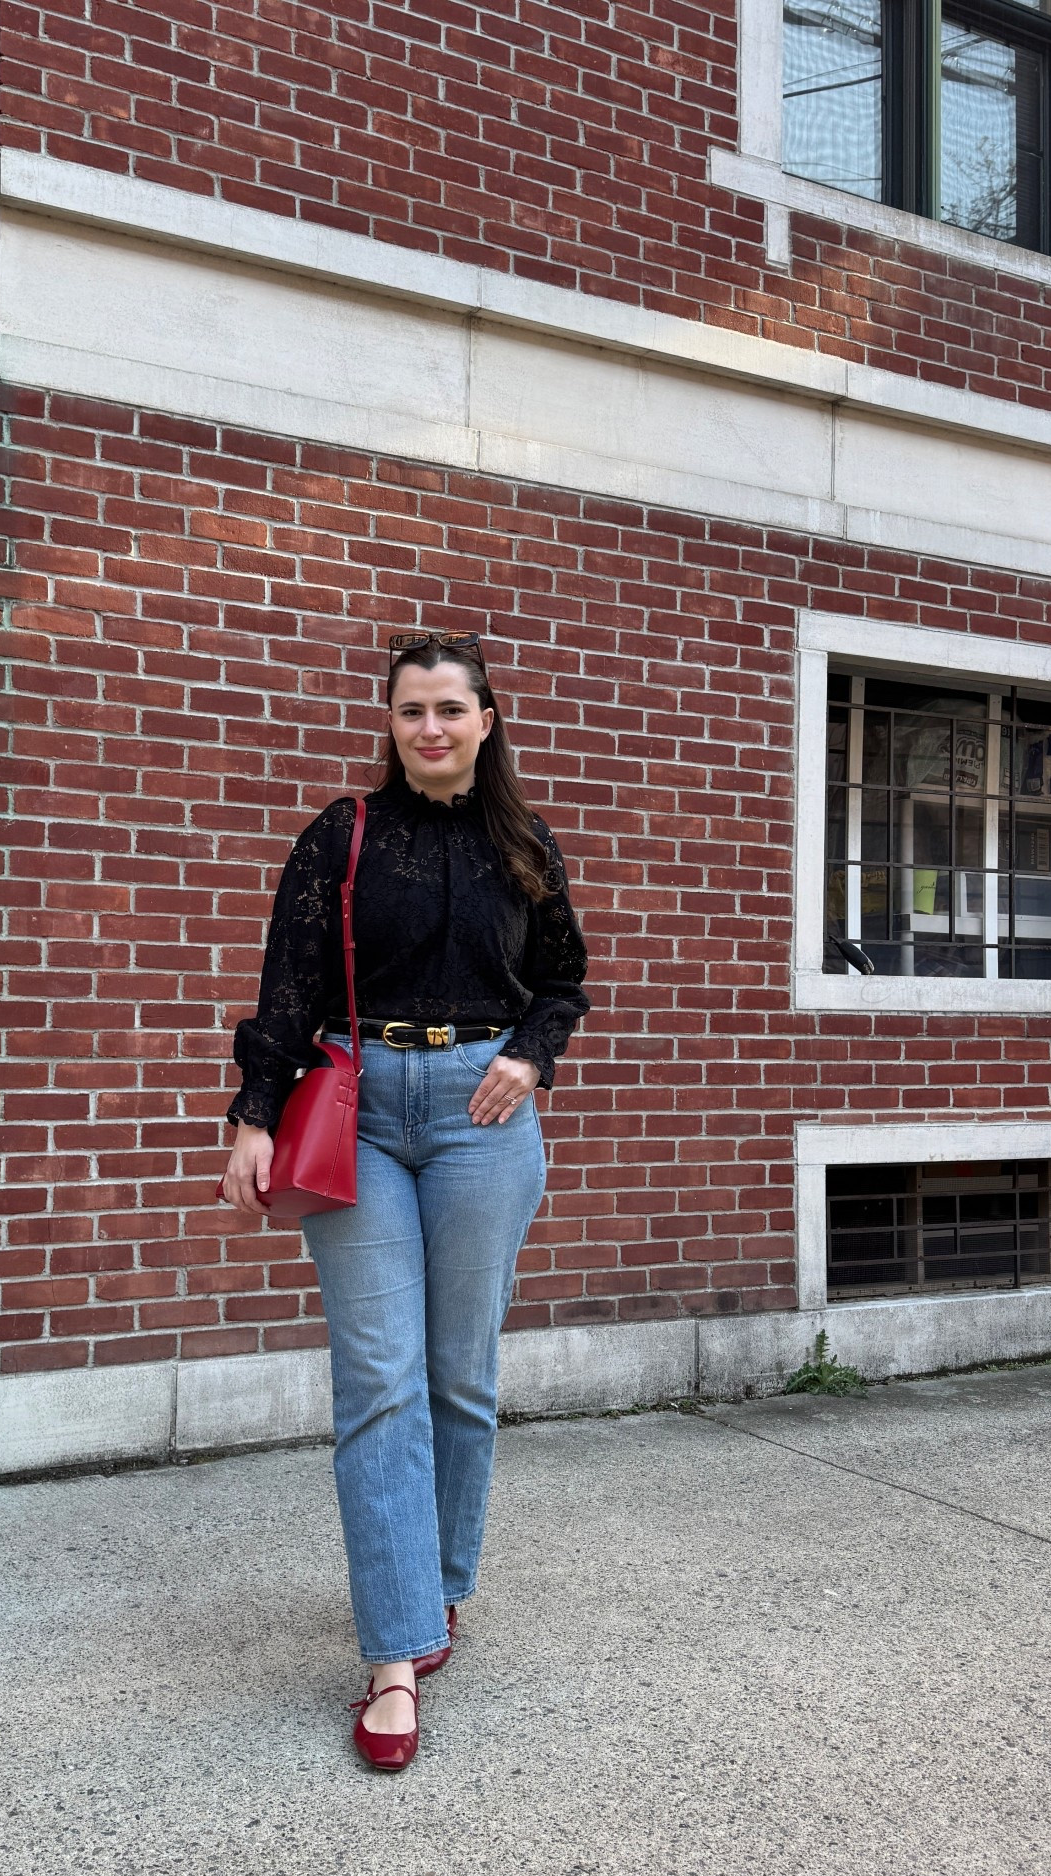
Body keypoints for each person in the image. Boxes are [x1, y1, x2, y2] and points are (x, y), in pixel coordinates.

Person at [220, 630, 590, 1772]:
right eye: (408, 711)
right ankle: (392, 1652)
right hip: (361, 1107)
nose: (427, 727)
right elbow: (287, 979)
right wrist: (254, 1107)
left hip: (484, 1114)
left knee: (459, 1374)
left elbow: (566, 980)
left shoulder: (526, 845)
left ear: (487, 717)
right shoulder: (344, 833)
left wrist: (531, 1054)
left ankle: (439, 1585)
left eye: (447, 707)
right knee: (379, 1376)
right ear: (389, 725)